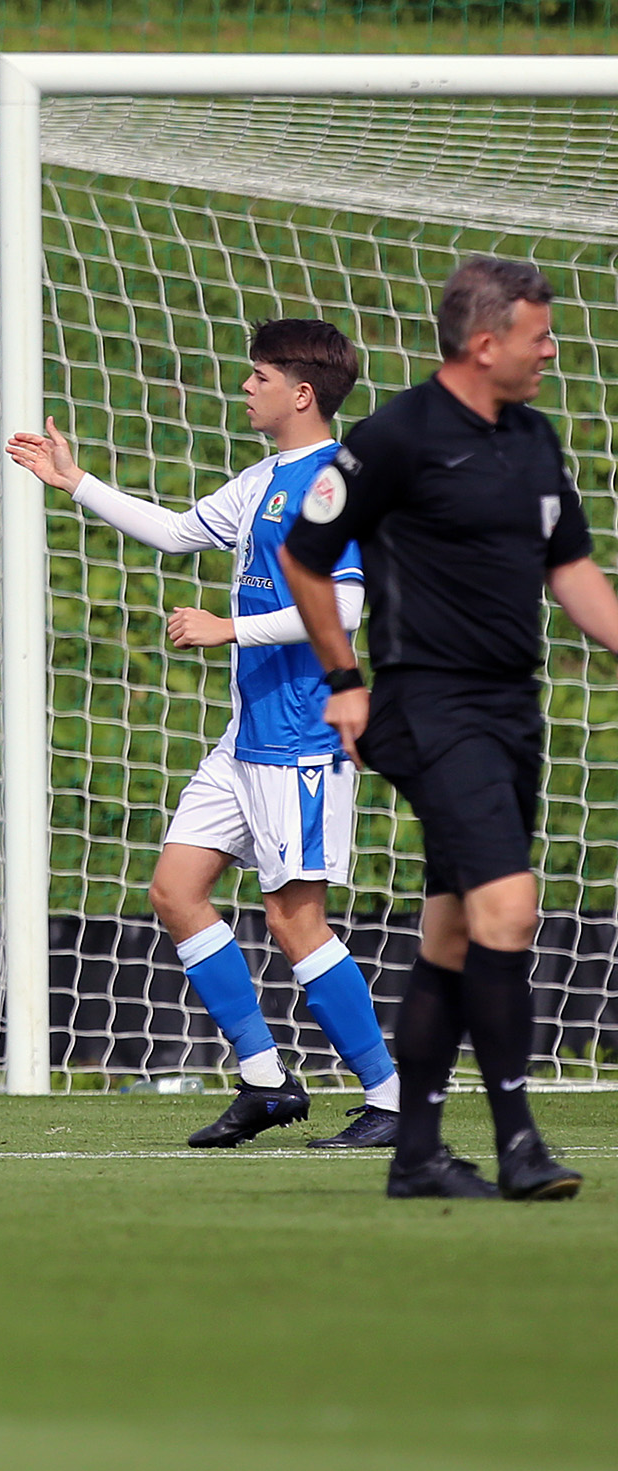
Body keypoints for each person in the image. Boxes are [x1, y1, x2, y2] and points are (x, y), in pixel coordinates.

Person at [6, 319, 401, 1150]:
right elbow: (182, 531)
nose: (245, 388)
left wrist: (231, 630)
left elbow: (350, 608)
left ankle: (393, 1100)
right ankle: (264, 1081)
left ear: (301, 393)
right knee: (176, 892)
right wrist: (73, 482)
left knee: (297, 925)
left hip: (300, 736)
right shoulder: (262, 477)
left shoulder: (335, 481)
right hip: (245, 735)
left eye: (258, 377)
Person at [282, 256, 611, 1202]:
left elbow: (574, 574)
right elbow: (307, 559)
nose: (552, 350)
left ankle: (417, 1154)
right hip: (430, 704)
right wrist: (346, 680)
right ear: (485, 342)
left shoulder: (535, 438)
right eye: (540, 335)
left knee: (456, 935)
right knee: (510, 908)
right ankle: (519, 1142)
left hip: (513, 709)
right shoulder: (395, 438)